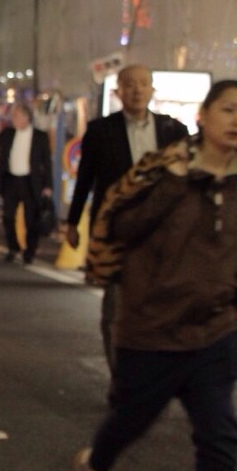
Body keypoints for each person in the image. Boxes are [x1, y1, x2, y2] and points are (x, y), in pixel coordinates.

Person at [74, 79, 237, 471]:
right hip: (152, 326)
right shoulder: (161, 171)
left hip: (215, 328)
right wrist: (175, 185)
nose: (236, 120)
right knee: (132, 419)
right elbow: (120, 225)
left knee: (218, 432)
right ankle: (97, 466)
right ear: (203, 115)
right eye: (229, 109)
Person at [65, 65, 188, 373]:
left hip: (163, 231)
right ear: (118, 91)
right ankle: (120, 374)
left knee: (162, 305)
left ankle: (154, 370)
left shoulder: (173, 131)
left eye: (143, 84)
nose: (137, 90)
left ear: (152, 90)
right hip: (118, 232)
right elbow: (85, 179)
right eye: (130, 84)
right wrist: (73, 222)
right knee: (116, 307)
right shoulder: (100, 131)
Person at [0, 101, 53, 264]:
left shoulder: (40, 136)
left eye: (17, 115)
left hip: (30, 181)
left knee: (31, 219)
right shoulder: (8, 134)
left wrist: (48, 185)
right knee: (7, 217)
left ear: (26, 117)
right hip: (11, 180)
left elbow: (47, 162)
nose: (13, 118)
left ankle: (30, 252)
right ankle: (13, 247)